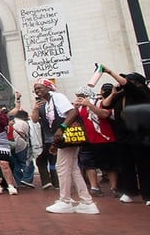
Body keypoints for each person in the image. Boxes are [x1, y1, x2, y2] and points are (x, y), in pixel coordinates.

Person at [31, 79, 99, 214]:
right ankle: (86, 201)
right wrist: (55, 144)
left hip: (67, 137)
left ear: (49, 87)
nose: (37, 90)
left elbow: (73, 112)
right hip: (63, 139)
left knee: (61, 168)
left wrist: (62, 128)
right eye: (35, 89)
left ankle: (65, 201)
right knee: (73, 169)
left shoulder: (57, 97)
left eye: (40, 88)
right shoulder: (48, 102)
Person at [100, 67, 150, 204]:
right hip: (123, 136)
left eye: (129, 80)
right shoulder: (122, 96)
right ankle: (129, 191)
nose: (124, 82)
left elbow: (128, 85)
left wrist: (110, 72)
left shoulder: (142, 93)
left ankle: (148, 194)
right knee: (126, 165)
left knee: (144, 166)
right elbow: (105, 105)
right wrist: (114, 94)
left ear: (138, 83)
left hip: (140, 135)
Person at [73, 86, 116, 198]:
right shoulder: (79, 108)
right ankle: (94, 187)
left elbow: (105, 114)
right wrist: (75, 108)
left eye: (82, 97)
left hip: (103, 138)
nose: (79, 99)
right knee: (88, 164)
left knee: (109, 164)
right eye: (78, 97)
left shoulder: (99, 103)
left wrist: (90, 105)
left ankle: (114, 187)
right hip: (87, 140)